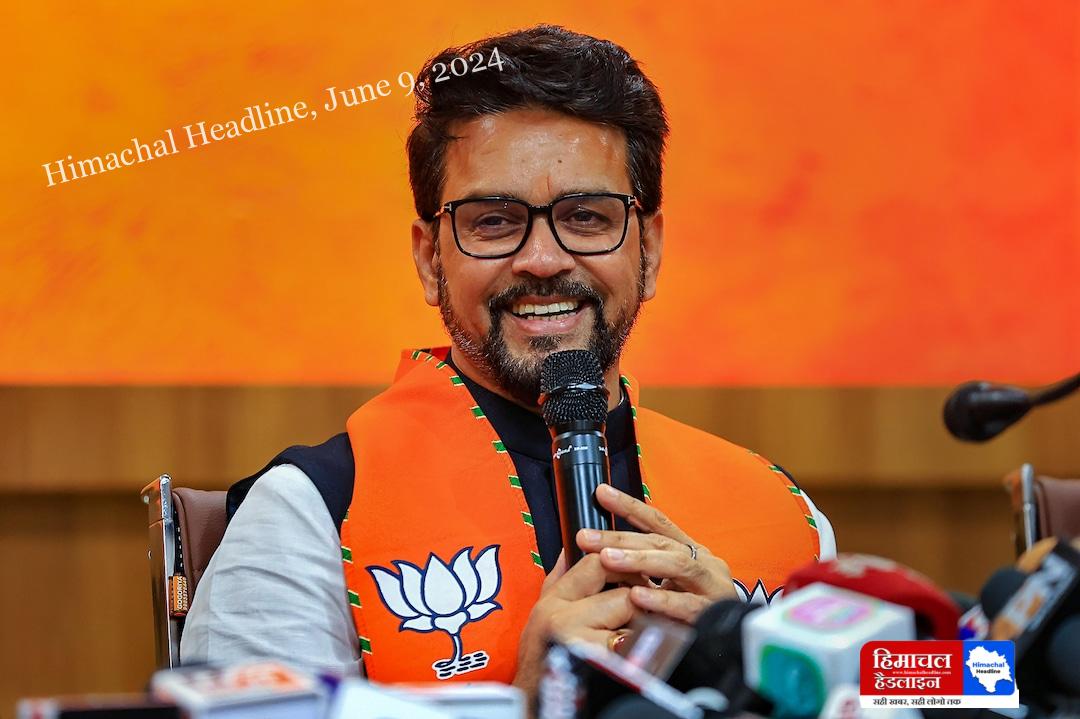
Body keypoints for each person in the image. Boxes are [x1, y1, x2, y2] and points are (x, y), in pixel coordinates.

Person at [180, 24, 835, 697]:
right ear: (430, 259)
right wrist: (524, 703)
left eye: (586, 216)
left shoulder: (789, 517)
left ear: (650, 250)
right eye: (493, 221)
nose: (543, 260)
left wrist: (756, 676)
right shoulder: (310, 513)